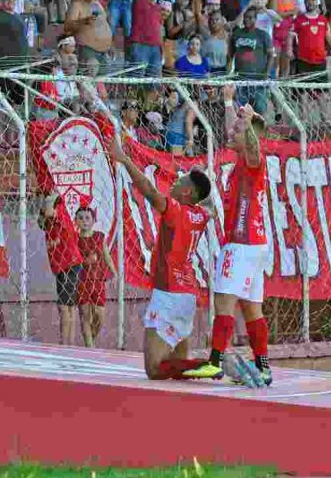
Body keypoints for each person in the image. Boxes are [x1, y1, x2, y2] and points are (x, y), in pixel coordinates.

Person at [183, 86, 272, 385]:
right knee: (251, 307)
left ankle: (214, 362)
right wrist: (229, 101)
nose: (230, 132)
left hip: (242, 244)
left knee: (224, 301)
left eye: (238, 130)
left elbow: (252, 144)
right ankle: (263, 367)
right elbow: (235, 131)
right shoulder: (243, 162)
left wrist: (247, 123)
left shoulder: (253, 160)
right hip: (255, 246)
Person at [108, 133, 215, 381]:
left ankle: (208, 364)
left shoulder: (176, 210)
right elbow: (209, 205)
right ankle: (198, 366)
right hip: (188, 293)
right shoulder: (201, 215)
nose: (175, 183)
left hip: (168, 292)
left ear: (187, 193)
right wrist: (199, 180)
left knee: (154, 369)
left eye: (180, 182)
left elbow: (148, 190)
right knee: (175, 365)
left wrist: (124, 159)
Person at [36, 191, 83, 345]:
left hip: (69, 262)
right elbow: (41, 223)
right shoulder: (50, 218)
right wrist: (43, 211)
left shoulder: (62, 208)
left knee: (65, 306)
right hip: (61, 264)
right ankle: (68, 343)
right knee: (68, 306)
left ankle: (65, 343)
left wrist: (48, 207)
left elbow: (52, 213)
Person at [75, 206, 116, 347]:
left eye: (87, 218)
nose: (84, 221)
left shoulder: (99, 237)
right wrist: (86, 261)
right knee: (85, 316)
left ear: (93, 220)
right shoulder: (75, 240)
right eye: (80, 218)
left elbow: (106, 255)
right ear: (76, 221)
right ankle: (90, 348)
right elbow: (74, 261)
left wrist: (114, 272)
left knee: (100, 315)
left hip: (98, 280)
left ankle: (90, 338)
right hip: (81, 281)